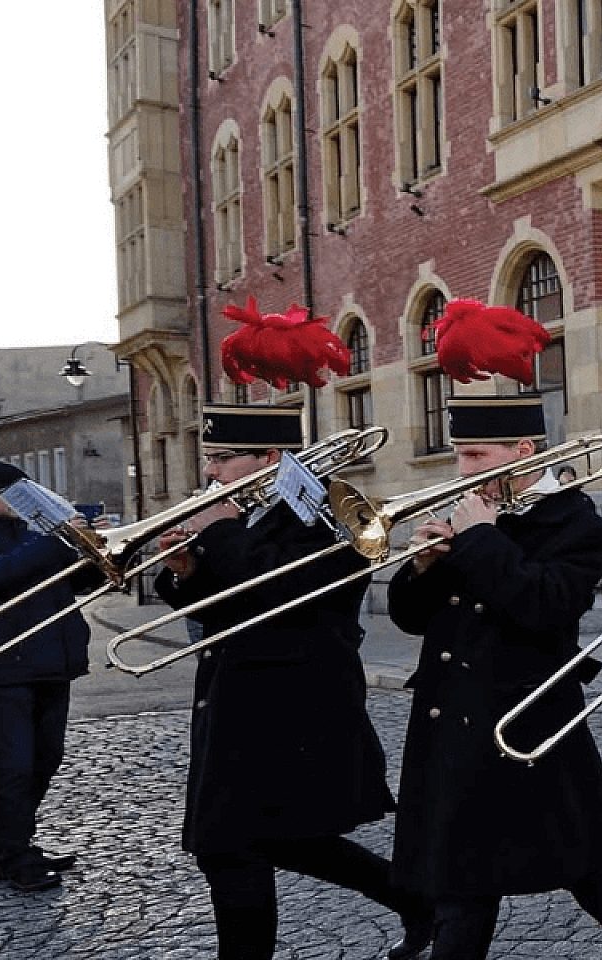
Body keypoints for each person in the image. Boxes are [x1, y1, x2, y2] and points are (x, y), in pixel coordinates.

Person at [387, 396, 602, 960]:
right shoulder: (472, 510)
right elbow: (411, 618)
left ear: (523, 451)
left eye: (475, 454)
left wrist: (480, 539)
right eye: (458, 455)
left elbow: (545, 605)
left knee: (577, 863)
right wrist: (420, 568)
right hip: (453, 710)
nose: (463, 469)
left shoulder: (574, 521)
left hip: (522, 715)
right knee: (467, 876)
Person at [154, 402, 432, 960]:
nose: (211, 471)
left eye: (223, 458)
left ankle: (416, 902)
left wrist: (224, 534)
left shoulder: (329, 515)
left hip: (295, 704)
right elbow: (224, 605)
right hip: (235, 698)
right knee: (272, 840)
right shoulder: (244, 513)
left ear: (272, 458)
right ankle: (417, 901)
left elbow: (287, 596)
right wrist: (184, 574)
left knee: (230, 844)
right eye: (209, 458)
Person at [0, 462, 92, 892]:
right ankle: (12, 855)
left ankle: (7, 847)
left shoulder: (28, 533)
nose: (24, 505)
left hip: (49, 661)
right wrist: (54, 540)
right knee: (13, 765)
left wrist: (88, 548)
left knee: (45, 758)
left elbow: (73, 583)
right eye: (14, 495)